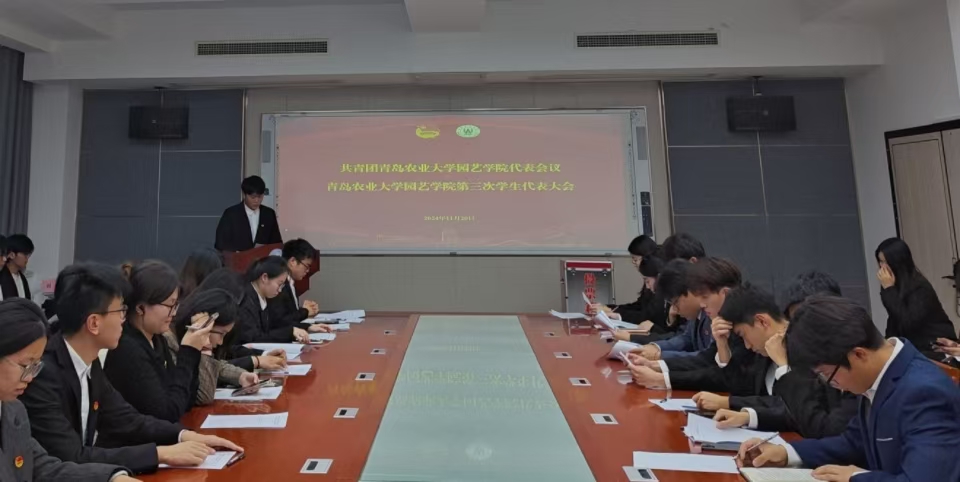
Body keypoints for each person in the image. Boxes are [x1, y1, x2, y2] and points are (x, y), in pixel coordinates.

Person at [19, 263, 242, 475]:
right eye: (120, 311)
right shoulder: (44, 373)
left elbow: (127, 419)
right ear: (94, 323)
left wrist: (184, 435)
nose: (124, 320)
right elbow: (71, 456)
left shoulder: (89, 361)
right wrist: (160, 454)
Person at [738, 296, 960, 482]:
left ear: (859, 354)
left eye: (827, 375)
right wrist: (787, 453)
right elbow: (854, 442)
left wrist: (856, 478)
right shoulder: (878, 375)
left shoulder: (924, 393)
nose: (830, 384)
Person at [0, 299, 140, 482]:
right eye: (25, 365)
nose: (29, 378)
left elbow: (43, 468)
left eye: (35, 366)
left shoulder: (13, 411)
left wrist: (112, 478)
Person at [700, 284, 858, 438]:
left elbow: (809, 411)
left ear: (762, 321)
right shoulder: (762, 350)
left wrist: (784, 367)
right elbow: (743, 388)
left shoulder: (810, 354)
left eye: (743, 335)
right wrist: (722, 345)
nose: (747, 345)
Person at [104, 261, 210, 422]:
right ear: (140, 308)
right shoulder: (127, 349)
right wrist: (188, 352)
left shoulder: (157, 340)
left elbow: (186, 400)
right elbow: (166, 413)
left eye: (176, 305)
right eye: (170, 305)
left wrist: (195, 351)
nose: (174, 313)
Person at [628, 257, 743, 392]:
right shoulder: (719, 318)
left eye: (705, 297)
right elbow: (706, 358)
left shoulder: (742, 322)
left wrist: (662, 378)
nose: (702, 304)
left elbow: (727, 376)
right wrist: (655, 364)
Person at [166, 289, 259, 406]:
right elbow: (204, 396)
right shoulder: (170, 342)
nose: (220, 342)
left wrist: (240, 376)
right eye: (221, 334)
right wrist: (204, 348)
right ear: (205, 324)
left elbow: (216, 365)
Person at [874, 237, 958, 360]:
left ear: (897, 262)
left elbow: (907, 322)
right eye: (880, 262)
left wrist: (889, 290)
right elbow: (894, 318)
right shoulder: (893, 284)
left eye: (885, 262)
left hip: (935, 348)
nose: (882, 267)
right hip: (915, 347)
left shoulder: (919, 287)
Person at [193, 269, 289, 373]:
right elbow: (211, 368)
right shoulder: (195, 328)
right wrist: (255, 361)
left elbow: (229, 350)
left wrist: (264, 355)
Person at [237, 256, 309, 345]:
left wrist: (303, 327)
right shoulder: (245, 301)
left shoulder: (264, 297)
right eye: (279, 284)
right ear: (264, 277)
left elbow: (276, 325)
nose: (280, 290)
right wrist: (290, 332)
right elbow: (253, 338)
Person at [267, 239, 330, 334]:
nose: (307, 271)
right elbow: (280, 321)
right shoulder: (279, 286)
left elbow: (289, 317)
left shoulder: (291, 283)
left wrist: (308, 324)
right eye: (306, 266)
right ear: (293, 261)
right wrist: (305, 312)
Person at [214, 175, 282, 253]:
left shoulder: (269, 214)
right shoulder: (231, 214)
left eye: (260, 197)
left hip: (262, 259)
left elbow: (276, 243)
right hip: (237, 259)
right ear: (244, 194)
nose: (256, 200)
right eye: (253, 197)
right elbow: (220, 243)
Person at [0, 233, 32, 301]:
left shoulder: (23, 278)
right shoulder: (2, 275)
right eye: (25, 254)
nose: (27, 258)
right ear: (12, 255)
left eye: (29, 255)